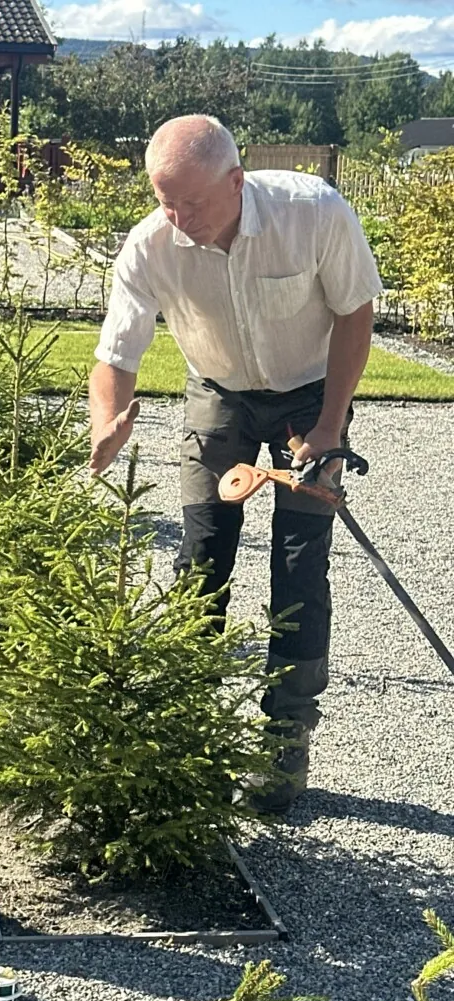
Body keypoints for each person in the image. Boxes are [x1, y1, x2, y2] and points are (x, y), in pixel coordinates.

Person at [89, 114, 383, 815]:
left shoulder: (312, 212)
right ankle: (192, 731)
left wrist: (329, 424)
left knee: (299, 560)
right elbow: (116, 351)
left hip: (310, 394)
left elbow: (355, 312)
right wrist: (108, 421)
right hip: (216, 393)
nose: (180, 217)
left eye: (193, 201)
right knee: (201, 554)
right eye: (166, 200)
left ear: (236, 180)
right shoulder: (150, 245)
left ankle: (285, 742)